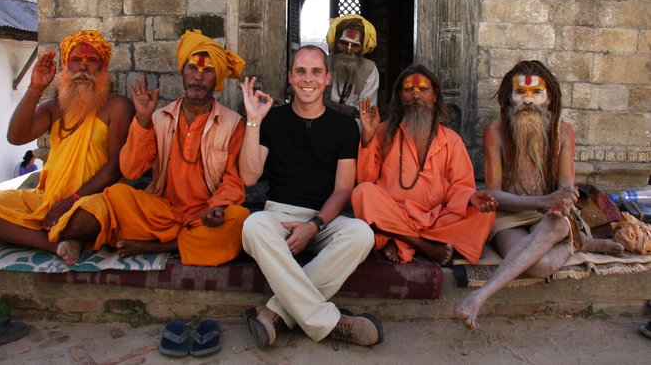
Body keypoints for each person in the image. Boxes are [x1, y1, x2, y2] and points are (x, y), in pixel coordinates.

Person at [455, 60, 624, 329]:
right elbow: (494, 194)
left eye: (536, 93)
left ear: (549, 99)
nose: (528, 101)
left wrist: (558, 203)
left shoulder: (564, 132)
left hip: (551, 215)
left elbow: (566, 190)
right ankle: (575, 246)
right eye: (521, 93)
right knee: (538, 266)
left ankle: (479, 296)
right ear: (509, 97)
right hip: (509, 215)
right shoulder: (495, 132)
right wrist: (541, 201)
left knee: (552, 231)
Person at [239, 46, 382, 350]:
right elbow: (249, 176)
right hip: (278, 216)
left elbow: (344, 189)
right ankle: (331, 322)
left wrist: (314, 225)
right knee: (253, 226)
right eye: (300, 71)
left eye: (316, 71)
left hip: (324, 219)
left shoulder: (344, 126)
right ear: (290, 77)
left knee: (361, 234)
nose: (308, 79)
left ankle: (275, 313)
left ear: (327, 78)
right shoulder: (273, 120)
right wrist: (253, 120)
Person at [76, 29, 250, 266]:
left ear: (216, 79)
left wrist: (218, 207)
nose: (198, 77)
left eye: (207, 71)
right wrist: (143, 121)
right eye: (192, 68)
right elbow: (131, 171)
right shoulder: (158, 118)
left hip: (203, 214)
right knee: (117, 196)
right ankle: (183, 241)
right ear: (182, 72)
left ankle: (158, 246)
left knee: (239, 219)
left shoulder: (232, 123)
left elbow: (232, 179)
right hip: (161, 212)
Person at [0, 30, 134, 265]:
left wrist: (73, 199)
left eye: (91, 60)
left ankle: (21, 234)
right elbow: (16, 137)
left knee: (87, 220)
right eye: (76, 60)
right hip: (48, 199)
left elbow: (116, 167)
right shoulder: (53, 107)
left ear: (103, 68)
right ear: (66, 66)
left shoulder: (117, 107)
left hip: (93, 199)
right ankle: (56, 244)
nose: (83, 67)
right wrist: (35, 88)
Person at [352, 65, 496, 266]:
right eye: (409, 89)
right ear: (400, 97)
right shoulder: (384, 131)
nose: (415, 95)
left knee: (484, 216)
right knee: (362, 193)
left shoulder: (451, 140)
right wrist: (367, 138)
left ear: (435, 96)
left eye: (423, 89)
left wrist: (471, 197)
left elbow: (460, 187)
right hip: (394, 213)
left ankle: (397, 240)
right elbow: (366, 180)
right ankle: (424, 246)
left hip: (435, 220)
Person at [323, 14, 379, 119]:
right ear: (335, 43)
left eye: (355, 45)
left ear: (362, 48)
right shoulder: (324, 63)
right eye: (343, 43)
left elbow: (364, 112)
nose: (348, 50)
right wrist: (343, 109)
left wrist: (325, 103)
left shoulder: (369, 69)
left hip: (354, 126)